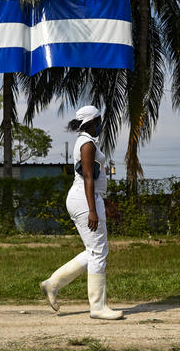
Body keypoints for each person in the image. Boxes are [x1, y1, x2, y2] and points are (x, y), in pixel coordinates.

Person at [39, 105, 123, 320]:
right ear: (92, 122)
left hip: (87, 198)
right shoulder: (87, 144)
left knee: (95, 250)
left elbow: (94, 178)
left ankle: (53, 284)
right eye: (99, 120)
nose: (101, 124)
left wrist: (105, 203)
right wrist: (93, 210)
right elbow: (87, 177)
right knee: (98, 253)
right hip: (86, 200)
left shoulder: (86, 141)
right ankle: (98, 307)